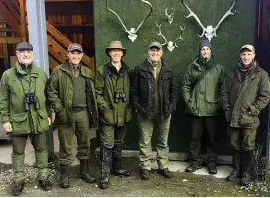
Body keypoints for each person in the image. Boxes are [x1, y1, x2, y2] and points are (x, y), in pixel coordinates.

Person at [0, 42, 52, 196]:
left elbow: (48, 97)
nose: (26, 55)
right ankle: (19, 180)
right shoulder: (8, 75)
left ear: (32, 54)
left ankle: (43, 178)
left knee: (42, 150)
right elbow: (3, 99)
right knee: (18, 152)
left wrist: (49, 114)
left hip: (39, 119)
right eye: (22, 52)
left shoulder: (41, 74)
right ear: (17, 54)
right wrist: (5, 120)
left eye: (28, 52)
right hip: (18, 120)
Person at [47, 43, 98, 188]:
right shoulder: (58, 71)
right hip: (66, 113)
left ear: (81, 56)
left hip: (83, 113)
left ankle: (84, 172)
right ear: (67, 55)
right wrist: (60, 110)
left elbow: (90, 94)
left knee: (84, 143)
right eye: (72, 53)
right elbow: (51, 92)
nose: (75, 56)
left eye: (78, 53)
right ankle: (64, 176)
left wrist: (91, 113)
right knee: (65, 145)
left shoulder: (87, 72)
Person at [221, 44, 270, 186]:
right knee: (234, 144)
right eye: (243, 54)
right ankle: (236, 171)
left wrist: (254, 110)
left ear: (253, 56)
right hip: (233, 117)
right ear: (240, 56)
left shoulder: (261, 74)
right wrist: (227, 109)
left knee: (248, 146)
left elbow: (265, 96)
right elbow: (224, 92)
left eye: (249, 54)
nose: (246, 57)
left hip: (249, 118)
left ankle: (246, 174)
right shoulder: (232, 73)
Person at [131, 41, 178, 180]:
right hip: (145, 112)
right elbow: (134, 92)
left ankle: (163, 165)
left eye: (157, 51)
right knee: (145, 142)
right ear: (148, 52)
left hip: (164, 112)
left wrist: (170, 107)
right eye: (152, 50)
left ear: (161, 53)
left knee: (163, 141)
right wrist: (139, 108)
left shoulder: (168, 70)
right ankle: (145, 166)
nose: (155, 53)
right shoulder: (139, 69)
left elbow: (174, 91)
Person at [181, 39, 225, 174]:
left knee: (212, 138)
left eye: (207, 49)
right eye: (203, 49)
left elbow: (223, 89)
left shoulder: (219, 68)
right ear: (199, 52)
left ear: (211, 51)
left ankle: (211, 163)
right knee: (195, 138)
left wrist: (218, 104)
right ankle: (195, 162)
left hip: (212, 110)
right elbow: (185, 86)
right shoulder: (191, 67)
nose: (205, 51)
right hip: (196, 110)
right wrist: (189, 102)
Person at [94, 40, 133, 189]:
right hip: (108, 115)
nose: (116, 53)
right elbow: (97, 93)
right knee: (107, 144)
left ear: (122, 53)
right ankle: (104, 174)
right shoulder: (102, 71)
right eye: (113, 50)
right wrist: (104, 108)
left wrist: (130, 109)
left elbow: (133, 92)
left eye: (119, 50)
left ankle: (117, 167)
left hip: (124, 115)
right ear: (109, 53)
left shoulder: (128, 71)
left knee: (119, 143)